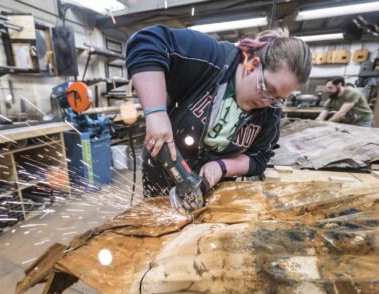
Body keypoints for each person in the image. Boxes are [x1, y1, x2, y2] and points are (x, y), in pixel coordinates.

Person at [126, 24, 312, 197]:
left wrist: (222, 166)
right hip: (163, 171)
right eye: (267, 89)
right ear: (252, 66)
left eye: (278, 98)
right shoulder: (211, 58)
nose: (268, 101)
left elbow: (260, 156)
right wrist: (156, 113)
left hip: (212, 188)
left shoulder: (270, 109)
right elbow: (147, 42)